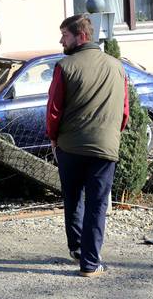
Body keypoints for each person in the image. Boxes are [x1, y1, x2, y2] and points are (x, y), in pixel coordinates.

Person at [46, 14, 129, 277]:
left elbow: (54, 109)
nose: (61, 40)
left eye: (65, 35)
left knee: (73, 198)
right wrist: (112, 134)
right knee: (97, 205)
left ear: (81, 36)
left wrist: (53, 137)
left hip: (70, 148)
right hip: (105, 148)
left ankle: (78, 249)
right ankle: (90, 263)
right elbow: (124, 111)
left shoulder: (64, 66)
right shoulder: (117, 67)